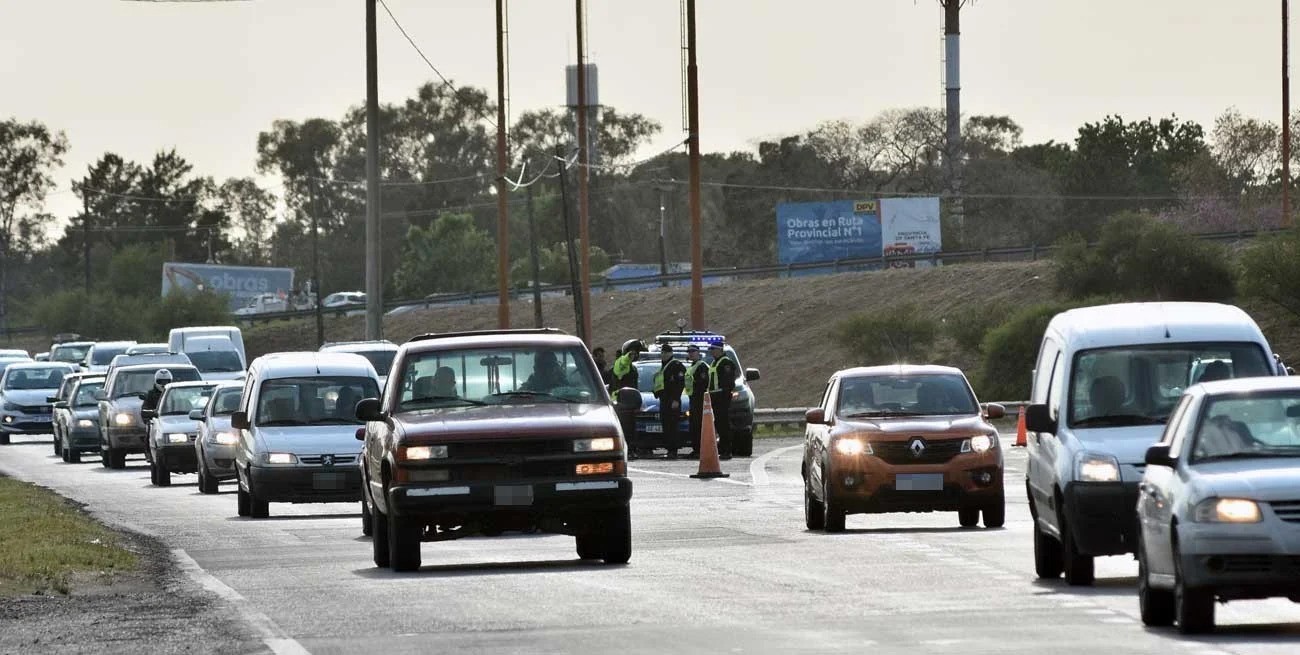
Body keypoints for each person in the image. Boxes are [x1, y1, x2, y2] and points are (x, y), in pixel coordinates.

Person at [652, 344, 687, 459]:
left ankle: (673, 450)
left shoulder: (676, 366)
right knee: (666, 425)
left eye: (666, 353)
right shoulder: (663, 366)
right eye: (662, 353)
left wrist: (676, 399)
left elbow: (680, 384)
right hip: (664, 400)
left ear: (671, 353)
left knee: (672, 425)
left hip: (673, 400)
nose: (663, 355)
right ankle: (669, 448)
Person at [707, 342, 739, 460]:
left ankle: (727, 450)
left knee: (723, 424)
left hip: (722, 397)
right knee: (719, 424)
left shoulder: (726, 363)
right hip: (715, 396)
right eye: (711, 349)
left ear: (720, 350)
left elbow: (728, 382)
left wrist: (724, 393)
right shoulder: (714, 362)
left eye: (714, 349)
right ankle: (723, 448)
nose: (712, 351)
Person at [684, 344, 709, 460]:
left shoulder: (702, 366)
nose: (691, 353)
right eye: (689, 352)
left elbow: (702, 383)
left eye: (693, 351)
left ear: (698, 353)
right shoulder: (691, 367)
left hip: (699, 400)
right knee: (693, 426)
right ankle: (696, 449)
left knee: (698, 426)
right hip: (692, 400)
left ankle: (700, 450)